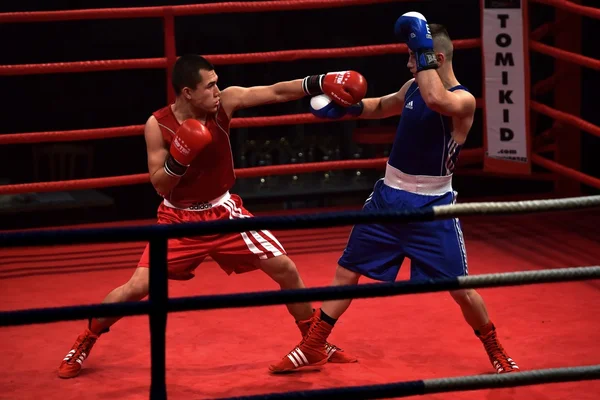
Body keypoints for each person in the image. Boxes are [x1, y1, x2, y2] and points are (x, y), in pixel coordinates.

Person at [57, 54, 368, 379]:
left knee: (285, 269)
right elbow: (159, 185)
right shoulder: (158, 125)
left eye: (217, 82)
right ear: (187, 92)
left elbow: (276, 92)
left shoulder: (225, 104)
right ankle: (86, 339)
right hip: (178, 220)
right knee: (136, 288)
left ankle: (313, 342)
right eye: (210, 86)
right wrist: (180, 156)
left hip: (224, 212)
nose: (217, 90)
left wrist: (319, 82)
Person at [269, 13, 520, 375]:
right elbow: (382, 106)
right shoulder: (413, 86)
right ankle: (313, 345)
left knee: (461, 287)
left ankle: (495, 349)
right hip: (389, 196)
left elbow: (437, 100)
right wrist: (349, 108)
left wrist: (422, 43)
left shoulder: (463, 101)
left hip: (433, 207)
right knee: (346, 270)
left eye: (414, 56)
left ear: (439, 59)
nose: (408, 63)